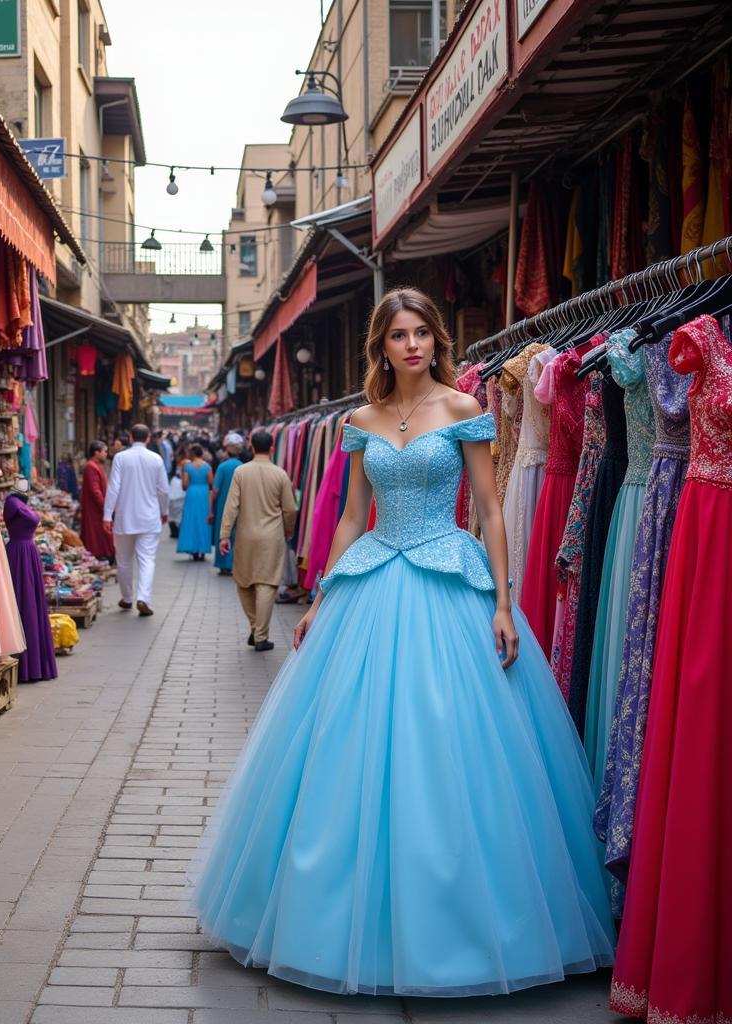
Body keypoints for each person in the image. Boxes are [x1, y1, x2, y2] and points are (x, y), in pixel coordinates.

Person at [191, 287, 614, 996]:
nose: (412, 344)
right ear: (381, 346)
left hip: (448, 579)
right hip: (372, 582)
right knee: (343, 749)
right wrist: (323, 595)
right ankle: (330, 924)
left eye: (421, 332)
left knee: (454, 745)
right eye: (398, 335)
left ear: (436, 340)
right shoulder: (360, 420)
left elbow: (488, 509)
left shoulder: (464, 408)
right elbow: (353, 517)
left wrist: (504, 603)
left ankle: (472, 930)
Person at [218, 430, 297, 652]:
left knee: (243, 581)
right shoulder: (280, 474)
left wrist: (225, 535)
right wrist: (288, 529)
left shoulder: (240, 472)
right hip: (272, 536)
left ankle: (255, 628)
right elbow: (290, 508)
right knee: (267, 584)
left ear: (251, 447)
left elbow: (231, 506)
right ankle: (260, 634)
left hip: (246, 535)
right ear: (272, 448)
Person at [103, 423, 169, 616]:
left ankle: (127, 598)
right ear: (148, 439)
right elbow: (163, 490)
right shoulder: (156, 459)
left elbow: (113, 487)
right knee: (147, 559)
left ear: (130, 438)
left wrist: (108, 515)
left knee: (123, 560)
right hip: (149, 517)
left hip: (125, 516)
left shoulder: (120, 458)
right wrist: (164, 511)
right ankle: (143, 598)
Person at [210, 434, 244, 576]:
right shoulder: (243, 467)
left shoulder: (222, 467)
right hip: (240, 505)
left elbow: (215, 489)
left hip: (223, 504)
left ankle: (224, 564)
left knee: (223, 532)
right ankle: (235, 563)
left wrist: (210, 508)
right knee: (237, 534)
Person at [176, 444, 214, 560]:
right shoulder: (207, 467)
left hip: (192, 493)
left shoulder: (187, 467)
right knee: (203, 520)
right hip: (203, 493)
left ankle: (193, 549)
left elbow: (185, 485)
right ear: (202, 453)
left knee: (191, 519)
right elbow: (211, 482)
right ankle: (202, 549)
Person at [79, 441, 114, 561]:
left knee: (99, 532)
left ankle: (103, 553)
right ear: (96, 452)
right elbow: (95, 491)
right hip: (94, 507)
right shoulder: (91, 467)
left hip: (98, 506)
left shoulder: (95, 465)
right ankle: (99, 554)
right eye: (104, 451)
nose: (106, 454)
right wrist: (105, 506)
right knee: (96, 533)